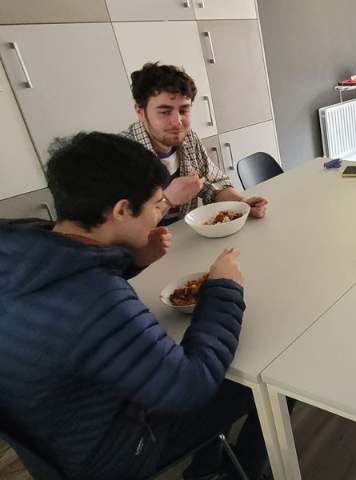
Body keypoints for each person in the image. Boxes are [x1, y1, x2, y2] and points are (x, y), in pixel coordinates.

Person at [0, 132, 269, 480]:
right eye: (158, 204)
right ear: (122, 210)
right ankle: (234, 470)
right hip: (114, 453)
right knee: (261, 377)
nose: (161, 214)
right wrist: (222, 288)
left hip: (55, 441)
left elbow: (67, 296)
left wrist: (129, 260)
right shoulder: (96, 298)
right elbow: (190, 384)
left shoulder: (24, 243)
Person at [124, 62, 268, 225]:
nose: (177, 122)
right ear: (140, 112)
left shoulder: (189, 139)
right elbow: (118, 231)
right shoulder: (118, 155)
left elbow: (214, 185)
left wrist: (242, 203)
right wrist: (167, 200)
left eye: (184, 110)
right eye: (165, 112)